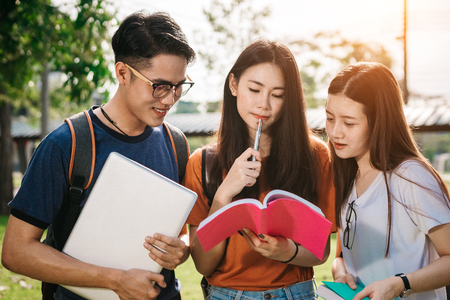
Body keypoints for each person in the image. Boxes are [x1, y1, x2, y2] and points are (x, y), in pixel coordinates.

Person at [1, 10, 196, 300]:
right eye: (160, 86)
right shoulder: (65, 145)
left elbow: (180, 230)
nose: (169, 99)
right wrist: (115, 280)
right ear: (122, 73)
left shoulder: (176, 143)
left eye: (179, 86)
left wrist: (181, 247)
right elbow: (16, 252)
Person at [184, 39, 336, 300]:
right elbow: (203, 264)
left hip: (295, 293)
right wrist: (223, 195)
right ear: (233, 85)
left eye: (277, 95)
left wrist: (286, 252)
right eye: (254, 89)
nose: (264, 104)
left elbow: (320, 252)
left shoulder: (315, 156)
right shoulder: (202, 163)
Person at [326, 62, 450, 300]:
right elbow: (342, 255)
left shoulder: (410, 176)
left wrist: (400, 284)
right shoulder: (345, 174)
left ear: (380, 121)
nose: (335, 132)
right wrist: (341, 273)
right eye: (330, 118)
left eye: (349, 123)